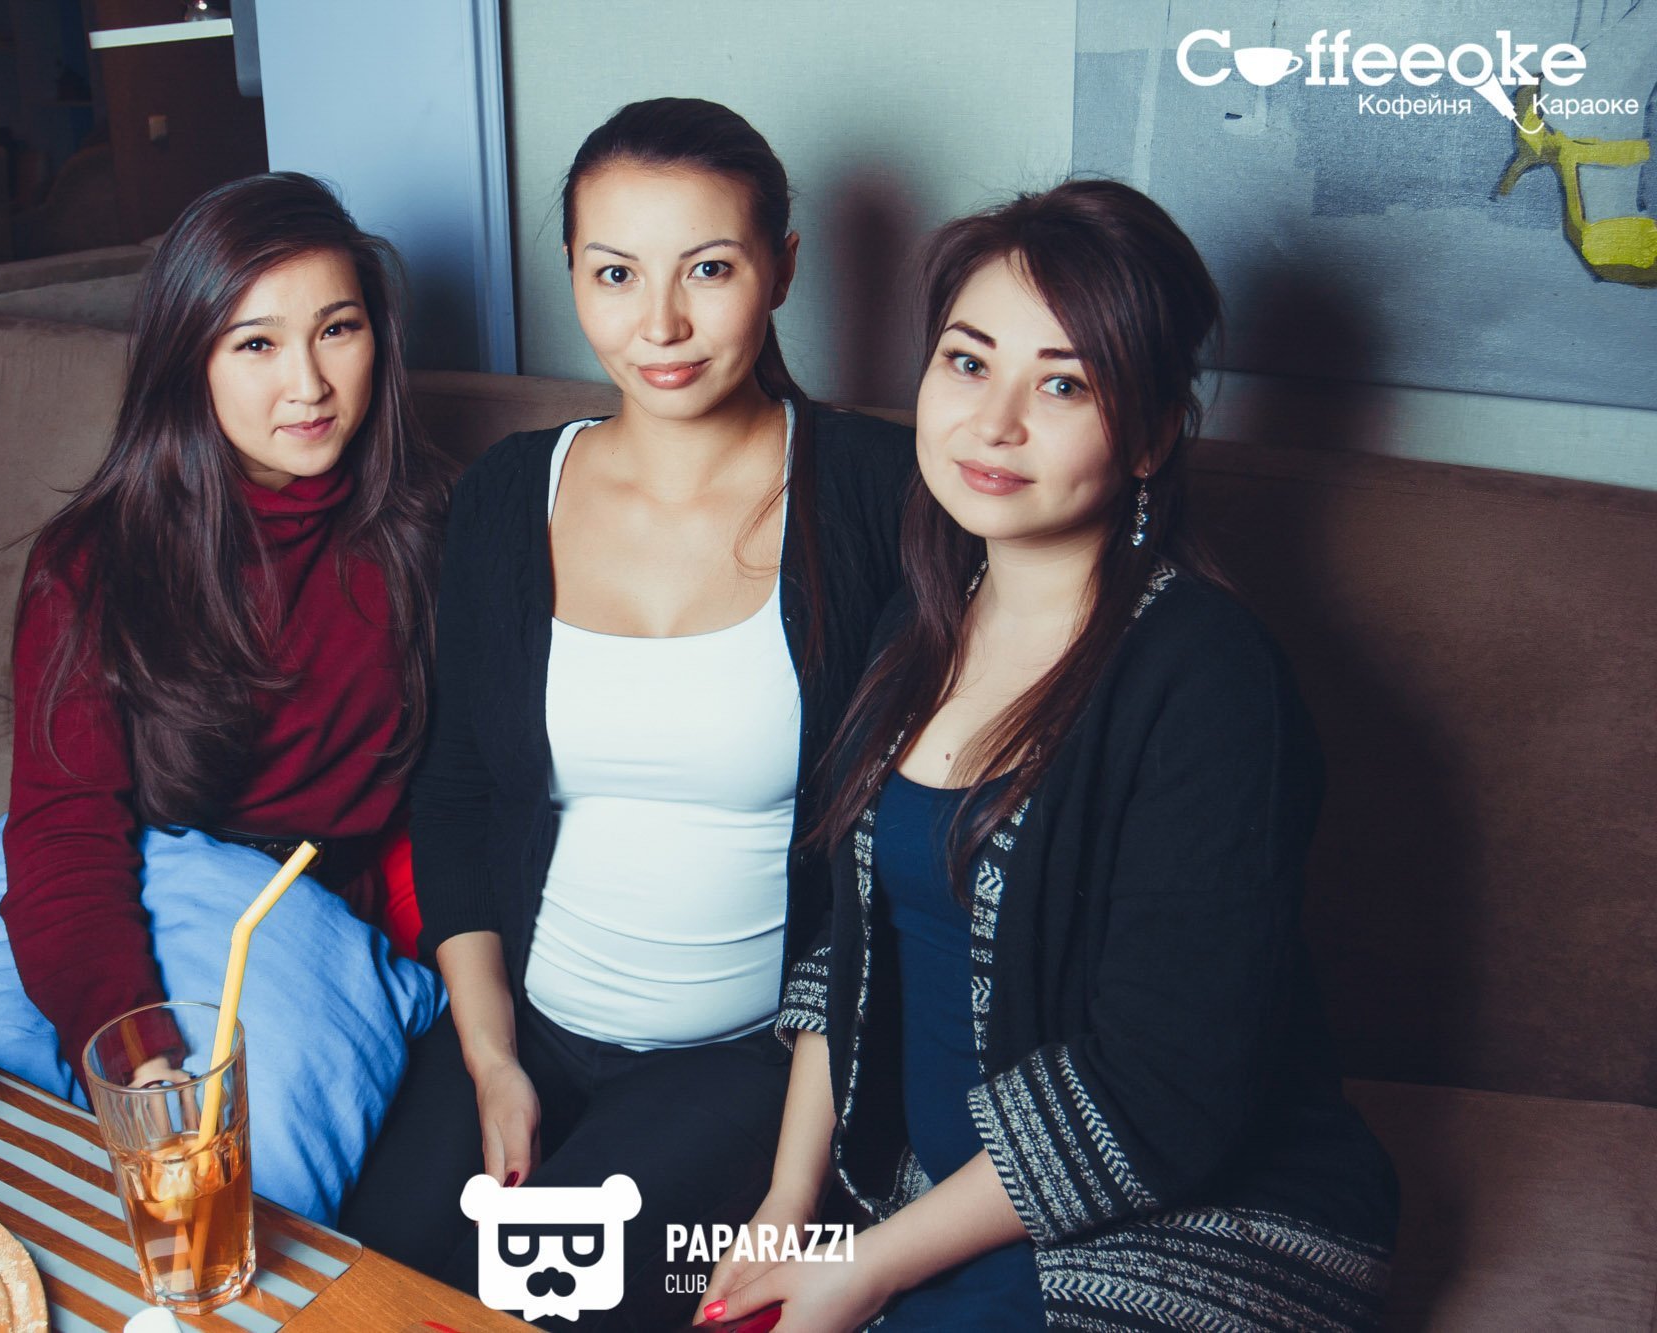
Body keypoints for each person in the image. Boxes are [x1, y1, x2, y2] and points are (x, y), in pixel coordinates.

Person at [699, 181, 1399, 1331]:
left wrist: (868, 1267)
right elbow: (849, 944)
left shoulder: (1208, 681)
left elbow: (1164, 1085)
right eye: (966, 362)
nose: (994, 421)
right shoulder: (917, 621)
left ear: (1153, 435)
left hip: (1192, 1216)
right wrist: (787, 1204)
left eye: (1063, 384)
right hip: (938, 1199)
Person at [337, 99, 915, 1328]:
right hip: (527, 1023)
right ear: (571, 273)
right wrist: (490, 1054)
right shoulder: (507, 494)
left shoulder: (874, 493)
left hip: (749, 1059)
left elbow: (895, 860)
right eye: (614, 273)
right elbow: (453, 790)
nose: (658, 325)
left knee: (550, 1292)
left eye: (707, 269)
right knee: (367, 1277)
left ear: (781, 270)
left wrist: (799, 1180)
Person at [0, 172, 448, 1225]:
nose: (308, 383)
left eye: (337, 329)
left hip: (287, 906)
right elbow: (64, 824)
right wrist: (136, 1047)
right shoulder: (95, 557)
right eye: (256, 343)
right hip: (90, 866)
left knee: (222, 1211)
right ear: (189, 359)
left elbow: (452, 791)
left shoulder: (433, 532)